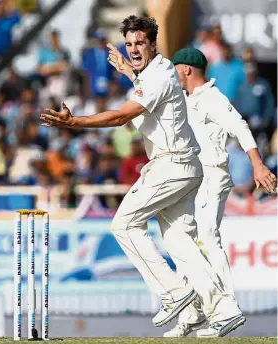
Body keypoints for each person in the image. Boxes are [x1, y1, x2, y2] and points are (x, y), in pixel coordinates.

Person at [41, 15, 245, 336]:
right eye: (130, 44)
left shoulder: (159, 76)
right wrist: (128, 70)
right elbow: (144, 82)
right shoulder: (154, 72)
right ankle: (218, 309)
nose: (134, 49)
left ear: (153, 44)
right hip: (184, 165)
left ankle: (175, 293)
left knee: (123, 224)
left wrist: (75, 122)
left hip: (171, 165)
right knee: (181, 243)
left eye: (140, 44)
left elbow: (123, 114)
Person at [161, 47, 276, 337]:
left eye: (175, 68)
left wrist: (258, 165)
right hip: (190, 179)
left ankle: (227, 310)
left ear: (186, 69)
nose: (173, 73)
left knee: (207, 239)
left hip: (213, 175)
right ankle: (192, 313)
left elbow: (240, 126)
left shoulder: (212, 97)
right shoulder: (185, 99)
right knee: (184, 242)